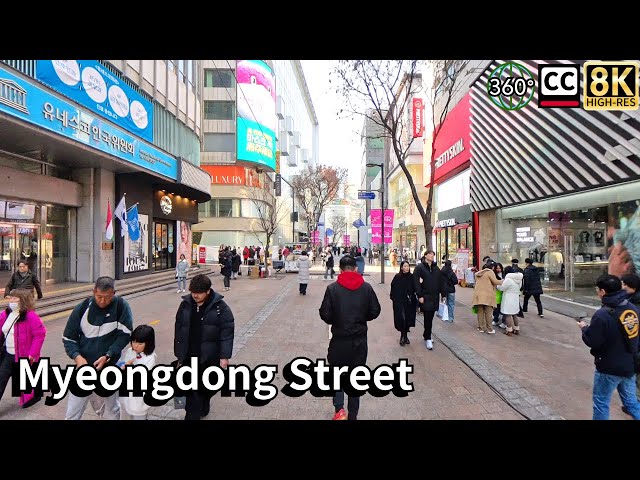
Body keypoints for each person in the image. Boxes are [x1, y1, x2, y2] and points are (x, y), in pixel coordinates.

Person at [319, 255, 381, 420]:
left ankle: (339, 410)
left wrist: (336, 320)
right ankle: (352, 415)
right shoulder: (366, 288)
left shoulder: (332, 289)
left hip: (339, 340)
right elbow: (375, 310)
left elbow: (324, 313)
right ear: (355, 269)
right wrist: (362, 318)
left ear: (340, 269)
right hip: (359, 342)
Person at [62, 276, 133, 420]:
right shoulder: (82, 308)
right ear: (93, 291)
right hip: (84, 368)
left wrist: (109, 355)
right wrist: (78, 357)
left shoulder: (121, 306)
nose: (102, 301)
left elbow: (125, 335)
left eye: (107, 298)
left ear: (114, 293)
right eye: (99, 296)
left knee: (112, 409)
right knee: (73, 411)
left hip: (108, 368)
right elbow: (68, 338)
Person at [577, 274, 640, 420]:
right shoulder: (631, 308)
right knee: (631, 402)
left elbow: (593, 341)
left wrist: (584, 328)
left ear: (603, 292)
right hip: (629, 365)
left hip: (608, 367)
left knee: (601, 402)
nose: (597, 292)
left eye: (597, 289)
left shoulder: (602, 315)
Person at [174, 273, 234, 420]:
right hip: (189, 356)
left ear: (208, 291)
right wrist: (179, 352)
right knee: (192, 393)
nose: (195, 295)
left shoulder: (221, 308)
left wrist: (224, 356)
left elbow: (227, 332)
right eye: (193, 292)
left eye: (199, 293)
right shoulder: (185, 305)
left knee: (205, 388)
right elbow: (179, 327)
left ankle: (204, 403)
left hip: (209, 357)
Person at [0, 289, 46, 408]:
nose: (11, 301)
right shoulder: (5, 314)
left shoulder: (30, 316)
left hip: (23, 354)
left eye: (15, 299)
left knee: (25, 380)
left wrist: (33, 353)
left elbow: (39, 334)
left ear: (23, 301)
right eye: (10, 298)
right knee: (1, 379)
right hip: (7, 354)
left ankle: (34, 396)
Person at [118, 324, 157, 420]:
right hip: (127, 395)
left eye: (140, 344)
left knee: (138, 415)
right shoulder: (130, 351)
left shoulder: (150, 358)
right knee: (126, 414)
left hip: (139, 398)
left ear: (148, 343)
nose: (135, 346)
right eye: (134, 342)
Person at [413, 250, 444, 350]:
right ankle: (428, 337)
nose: (432, 256)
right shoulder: (420, 268)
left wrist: (443, 294)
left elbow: (440, 281)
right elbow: (416, 282)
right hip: (425, 296)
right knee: (427, 316)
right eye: (430, 254)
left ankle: (427, 334)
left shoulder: (436, 268)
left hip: (435, 296)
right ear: (425, 255)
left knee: (430, 317)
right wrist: (420, 295)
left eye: (433, 254)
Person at [621, 273, 640, 415]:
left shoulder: (634, 305)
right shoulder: (630, 299)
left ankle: (634, 406)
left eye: (624, 284)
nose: (622, 286)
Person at [471, 262, 503, 334]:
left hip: (478, 295)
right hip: (487, 296)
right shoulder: (490, 272)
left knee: (480, 313)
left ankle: (481, 328)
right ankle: (490, 329)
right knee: (488, 313)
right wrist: (503, 281)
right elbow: (495, 281)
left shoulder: (478, 273)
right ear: (492, 267)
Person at [390, 261, 416, 346]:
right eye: (405, 266)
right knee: (402, 319)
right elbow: (393, 288)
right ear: (401, 267)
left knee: (408, 319)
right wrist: (394, 299)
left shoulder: (412, 277)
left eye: (408, 266)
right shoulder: (397, 277)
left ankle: (405, 335)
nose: (406, 268)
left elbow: (415, 288)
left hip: (409, 302)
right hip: (399, 302)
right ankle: (402, 336)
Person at [497, 270, 524, 336]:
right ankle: (516, 329)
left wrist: (498, 285)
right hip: (515, 298)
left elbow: (501, 288)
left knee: (508, 315)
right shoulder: (519, 279)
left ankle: (509, 330)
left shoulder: (508, 280)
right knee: (514, 315)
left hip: (508, 298)